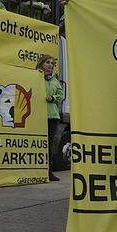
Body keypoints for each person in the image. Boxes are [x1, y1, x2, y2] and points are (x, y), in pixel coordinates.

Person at [37, 54, 64, 182]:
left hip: (52, 116)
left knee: (49, 145)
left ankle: (49, 172)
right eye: (47, 62)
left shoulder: (55, 80)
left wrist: (53, 98)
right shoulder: (35, 76)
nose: (50, 65)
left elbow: (61, 95)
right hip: (38, 116)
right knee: (38, 144)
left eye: (52, 64)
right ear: (41, 64)